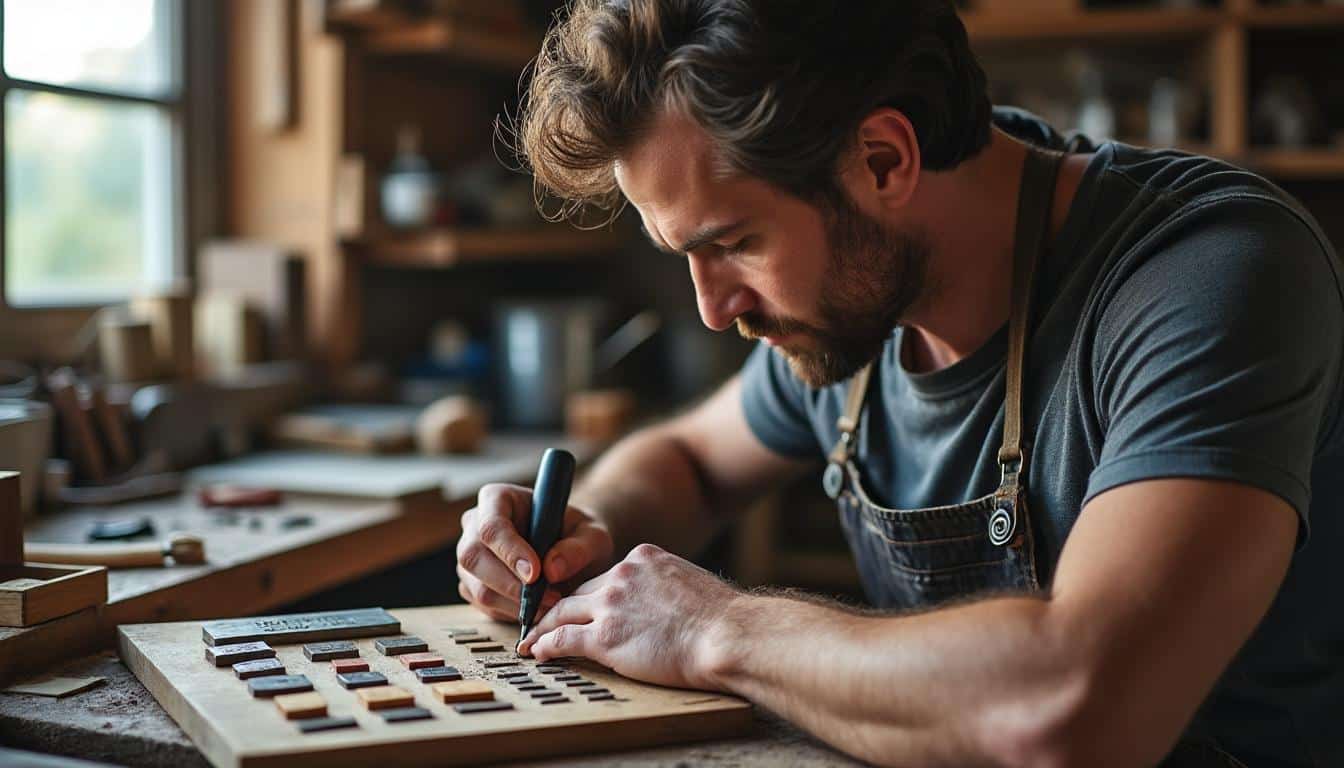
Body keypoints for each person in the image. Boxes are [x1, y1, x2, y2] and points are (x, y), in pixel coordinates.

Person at [456, 2, 1344, 765]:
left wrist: (712, 629)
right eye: (684, 255)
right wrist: (588, 528)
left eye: (731, 243)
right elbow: (690, 457)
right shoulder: (859, 306)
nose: (714, 310)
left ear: (883, 160)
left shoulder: (1209, 275)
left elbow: (1081, 705)